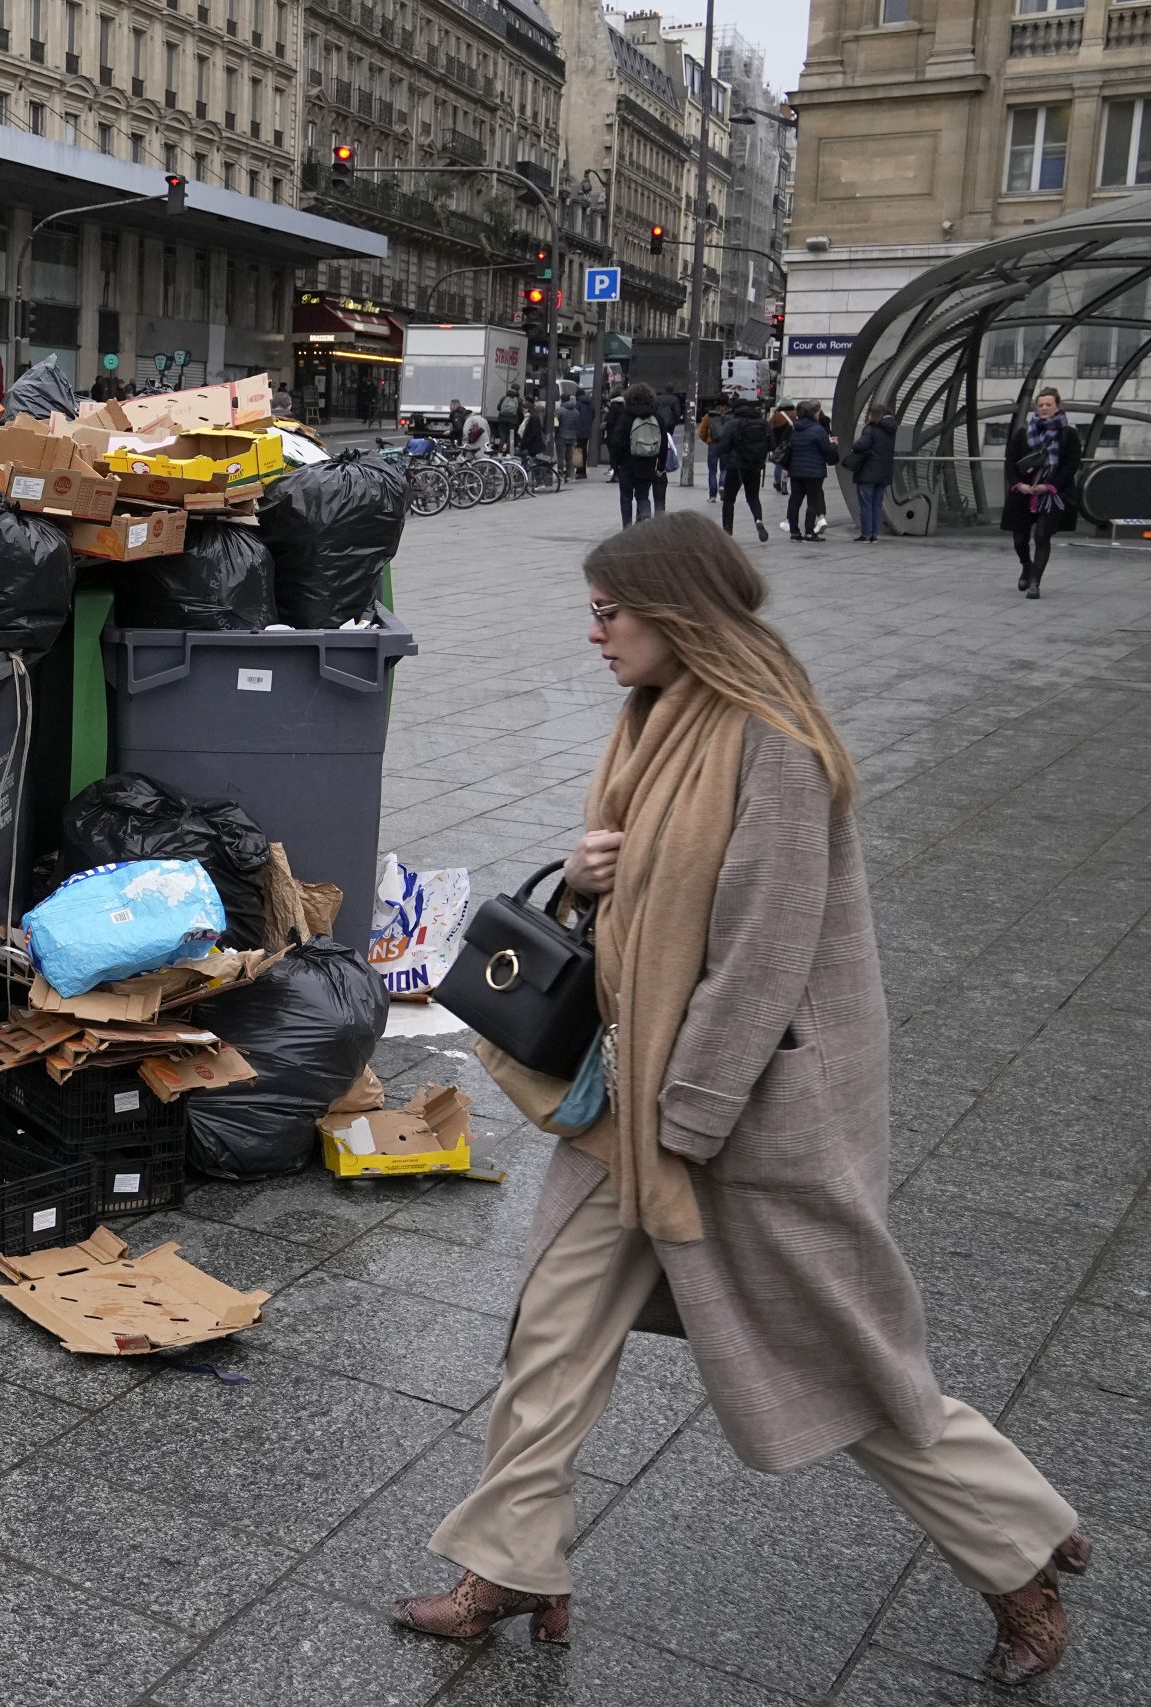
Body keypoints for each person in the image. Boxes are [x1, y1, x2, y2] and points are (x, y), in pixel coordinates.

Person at [394, 511, 1089, 1689]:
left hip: (734, 1124)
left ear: (675, 613)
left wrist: (693, 1118)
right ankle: (512, 1565)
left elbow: (765, 952)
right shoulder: (654, 719)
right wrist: (581, 879)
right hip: (627, 1105)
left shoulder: (771, 743)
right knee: (551, 1341)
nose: (594, 631)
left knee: (837, 1365)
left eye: (611, 611)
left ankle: (1017, 1553)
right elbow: (639, 918)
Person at [1004, 387, 1082, 598]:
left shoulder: (1068, 434)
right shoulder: (1023, 432)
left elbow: (1071, 464)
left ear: (1058, 406)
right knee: (1019, 538)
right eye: (1041, 405)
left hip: (1052, 495)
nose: (1045, 408)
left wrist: (1049, 486)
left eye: (1049, 404)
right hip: (1025, 493)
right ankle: (1026, 566)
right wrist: (1019, 485)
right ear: (1036, 408)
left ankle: (1035, 583)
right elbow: (1010, 462)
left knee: (1041, 536)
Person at [608, 382, 667, 526]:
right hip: (648, 463)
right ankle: (643, 526)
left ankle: (627, 527)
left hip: (628, 464)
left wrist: (617, 464)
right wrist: (661, 465)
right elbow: (664, 443)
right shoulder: (657, 418)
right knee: (643, 496)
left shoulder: (626, 417)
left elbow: (616, 442)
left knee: (626, 497)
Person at [713, 398, 771, 543]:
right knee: (753, 497)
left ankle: (727, 530)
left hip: (736, 467)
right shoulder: (763, 423)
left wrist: (725, 457)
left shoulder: (733, 423)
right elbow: (772, 445)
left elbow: (723, 447)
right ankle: (758, 520)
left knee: (729, 499)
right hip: (755, 466)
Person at [784, 401, 836, 543]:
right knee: (812, 501)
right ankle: (808, 532)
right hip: (814, 472)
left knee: (795, 500)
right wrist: (833, 450)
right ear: (813, 413)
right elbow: (827, 451)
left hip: (796, 470)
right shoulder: (818, 430)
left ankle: (794, 532)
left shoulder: (795, 429)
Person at [851, 401, 897, 543]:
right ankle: (874, 535)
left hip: (868, 471)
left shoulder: (871, 429)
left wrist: (854, 446)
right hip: (883, 472)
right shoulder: (892, 430)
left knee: (866, 504)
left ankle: (866, 534)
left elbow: (862, 445)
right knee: (877, 505)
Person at [767, 401, 795, 494]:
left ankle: (777, 482)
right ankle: (784, 484)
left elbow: (769, 430)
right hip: (790, 444)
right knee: (786, 465)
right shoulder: (795, 415)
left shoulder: (776, 416)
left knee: (778, 464)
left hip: (777, 444)